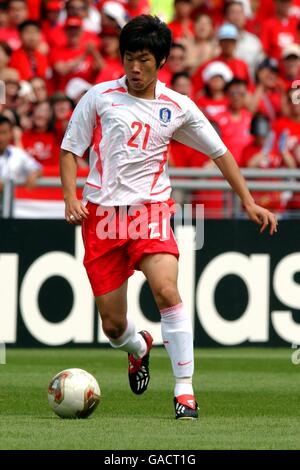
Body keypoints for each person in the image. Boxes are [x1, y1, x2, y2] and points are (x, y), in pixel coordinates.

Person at [60, 15, 277, 421]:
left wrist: (247, 201)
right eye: (128, 58)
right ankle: (139, 346)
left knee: (166, 292)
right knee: (112, 326)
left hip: (151, 212)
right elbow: (71, 149)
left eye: (143, 59)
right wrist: (71, 196)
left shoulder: (177, 107)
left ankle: (184, 392)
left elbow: (219, 152)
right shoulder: (99, 97)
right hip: (102, 218)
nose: (135, 68)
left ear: (161, 62)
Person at [0, 115, 41, 194]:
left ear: (11, 133)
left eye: (4, 133)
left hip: (12, 204)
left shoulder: (18, 153)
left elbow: (38, 168)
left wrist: (34, 174)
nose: (0, 137)